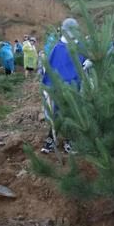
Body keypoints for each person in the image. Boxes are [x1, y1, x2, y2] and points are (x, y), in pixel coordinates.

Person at [41, 18, 91, 154]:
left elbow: (88, 60)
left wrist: (88, 62)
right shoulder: (58, 48)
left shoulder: (80, 46)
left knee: (73, 113)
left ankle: (70, 141)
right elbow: (49, 68)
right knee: (56, 114)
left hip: (75, 87)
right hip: (58, 87)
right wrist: (47, 87)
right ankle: (51, 139)